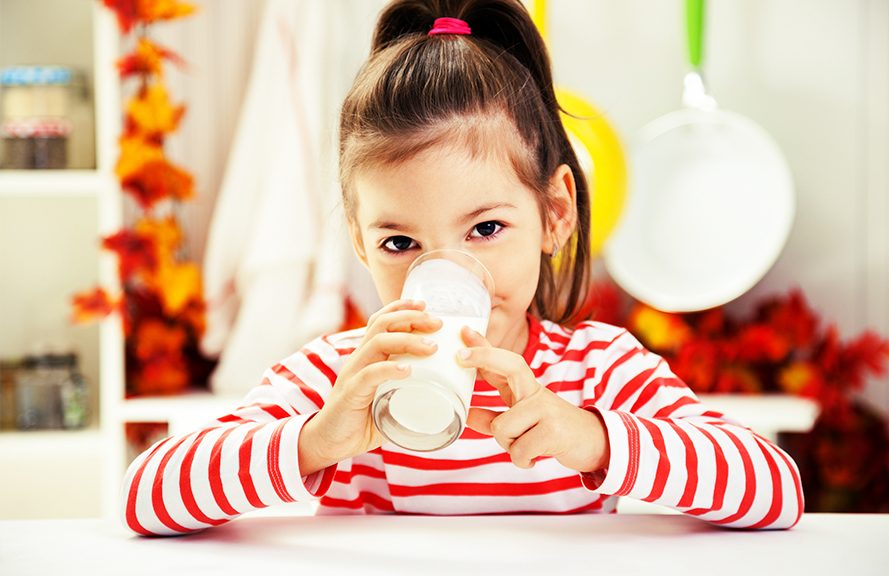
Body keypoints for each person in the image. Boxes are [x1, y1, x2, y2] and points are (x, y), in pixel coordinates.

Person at [122, 0, 804, 536]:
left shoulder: (598, 370)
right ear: (358, 241)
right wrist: (310, 441)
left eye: (484, 229)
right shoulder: (337, 376)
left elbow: (774, 490)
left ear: (555, 214)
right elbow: (145, 497)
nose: (446, 272)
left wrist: (592, 437)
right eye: (399, 243)